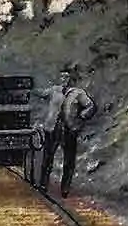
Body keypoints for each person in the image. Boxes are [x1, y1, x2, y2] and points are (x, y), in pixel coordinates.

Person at [37, 65, 96, 198]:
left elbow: (91, 106)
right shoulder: (54, 90)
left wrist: (81, 116)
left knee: (69, 161)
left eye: (66, 77)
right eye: (61, 77)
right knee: (47, 158)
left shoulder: (78, 93)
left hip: (69, 129)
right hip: (53, 128)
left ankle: (65, 189)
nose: (63, 79)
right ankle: (43, 185)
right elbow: (41, 94)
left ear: (71, 79)